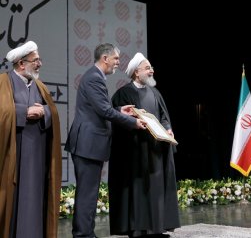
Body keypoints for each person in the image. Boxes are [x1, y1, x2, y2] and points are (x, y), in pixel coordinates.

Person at [65, 43, 146, 238]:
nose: (118, 63)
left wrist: (121, 110)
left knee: (89, 193)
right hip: (87, 144)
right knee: (87, 194)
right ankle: (83, 235)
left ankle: (86, 233)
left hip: (90, 144)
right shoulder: (94, 78)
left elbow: (101, 108)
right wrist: (133, 122)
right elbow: (104, 111)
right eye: (116, 59)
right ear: (105, 58)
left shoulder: (95, 77)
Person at [109, 52, 180, 238]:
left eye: (151, 68)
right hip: (135, 152)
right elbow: (117, 120)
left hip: (156, 151)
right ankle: (138, 229)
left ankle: (156, 228)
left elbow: (164, 117)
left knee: (156, 190)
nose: (151, 71)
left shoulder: (155, 93)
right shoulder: (123, 94)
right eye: (147, 68)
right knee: (138, 190)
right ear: (136, 73)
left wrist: (168, 129)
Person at [0, 41, 62, 238]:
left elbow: (52, 112)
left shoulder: (40, 86)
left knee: (35, 199)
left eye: (39, 60)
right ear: (21, 63)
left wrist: (43, 111)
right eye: (35, 61)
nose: (39, 64)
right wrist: (23, 112)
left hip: (37, 157)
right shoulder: (3, 82)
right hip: (12, 156)